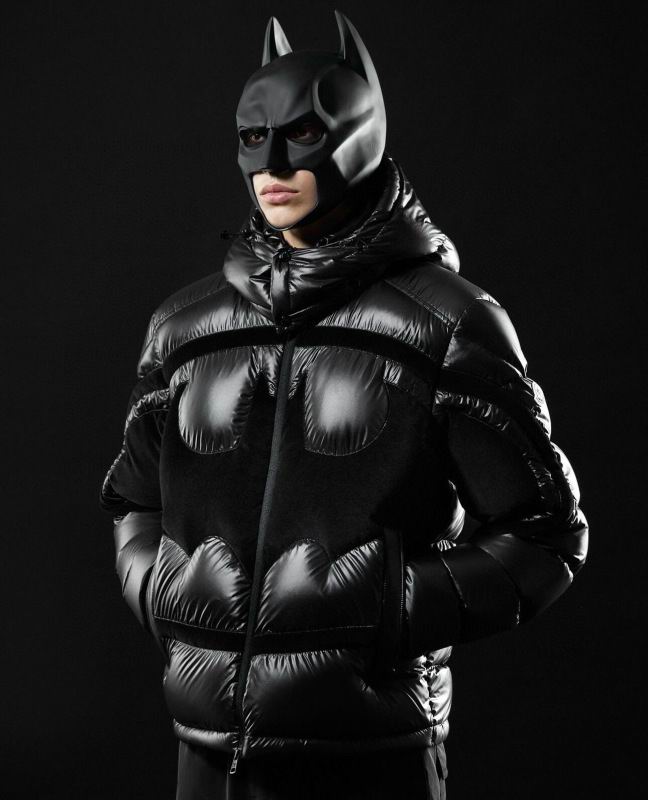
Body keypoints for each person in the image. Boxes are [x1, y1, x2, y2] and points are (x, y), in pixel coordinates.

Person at [100, 11, 589, 800]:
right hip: (206, 751)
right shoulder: (184, 328)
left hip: (372, 754)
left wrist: (385, 609)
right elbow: (133, 497)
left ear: (363, 138)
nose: (273, 164)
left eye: (303, 134)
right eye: (253, 138)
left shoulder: (446, 323)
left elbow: (545, 536)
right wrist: (165, 594)